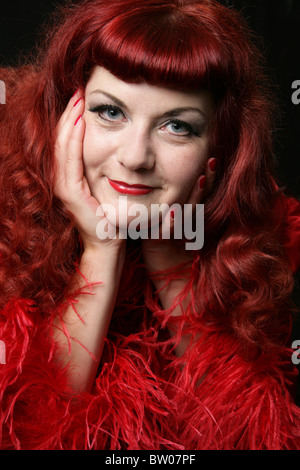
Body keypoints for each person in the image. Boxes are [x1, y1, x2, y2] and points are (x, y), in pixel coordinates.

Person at [0, 0, 299, 451]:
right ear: (65, 114)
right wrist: (101, 250)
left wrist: (168, 251)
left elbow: (244, 435)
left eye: (176, 125)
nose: (136, 156)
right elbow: (26, 433)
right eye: (110, 112)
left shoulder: (263, 237)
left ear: (216, 149)